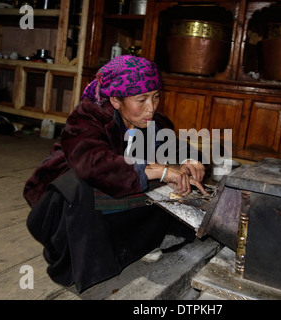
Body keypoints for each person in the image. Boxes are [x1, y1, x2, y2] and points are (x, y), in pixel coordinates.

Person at [23, 55, 208, 293]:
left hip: (110, 200)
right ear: (116, 100)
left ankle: (138, 242)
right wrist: (160, 171)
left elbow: (171, 142)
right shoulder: (88, 117)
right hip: (65, 204)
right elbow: (94, 165)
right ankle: (88, 257)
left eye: (156, 97)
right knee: (86, 184)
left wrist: (189, 160)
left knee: (165, 181)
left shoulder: (148, 120)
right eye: (141, 100)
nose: (151, 108)